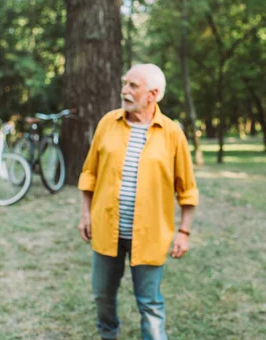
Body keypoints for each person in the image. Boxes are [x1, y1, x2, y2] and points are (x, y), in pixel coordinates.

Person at [77, 63, 198, 340]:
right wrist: (85, 214)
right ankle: (109, 334)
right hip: (106, 230)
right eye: (125, 83)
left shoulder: (171, 133)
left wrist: (184, 231)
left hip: (151, 235)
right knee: (102, 296)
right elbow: (89, 174)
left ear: (153, 94)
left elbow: (187, 190)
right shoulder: (108, 123)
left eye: (133, 86)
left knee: (150, 303)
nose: (125, 90)